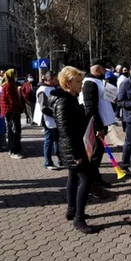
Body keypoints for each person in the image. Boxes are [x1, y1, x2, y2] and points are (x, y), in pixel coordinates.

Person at [48, 66, 97, 234]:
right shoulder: (63, 102)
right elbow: (65, 131)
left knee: (73, 177)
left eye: (81, 81)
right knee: (86, 179)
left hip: (76, 145)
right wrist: (76, 154)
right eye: (78, 82)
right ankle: (79, 219)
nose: (81, 84)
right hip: (73, 147)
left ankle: (71, 210)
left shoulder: (71, 98)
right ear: (67, 83)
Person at [80, 59, 115, 190]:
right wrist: (98, 126)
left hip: (101, 122)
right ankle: (91, 183)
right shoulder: (89, 83)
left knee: (97, 154)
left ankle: (95, 179)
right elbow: (90, 108)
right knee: (95, 154)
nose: (105, 71)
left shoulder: (97, 81)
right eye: (103, 69)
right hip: (95, 125)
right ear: (96, 70)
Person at [35, 71, 62, 170]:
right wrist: (55, 114)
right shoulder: (43, 90)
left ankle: (61, 160)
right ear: (49, 80)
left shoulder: (54, 88)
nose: (56, 82)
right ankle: (48, 162)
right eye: (55, 80)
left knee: (57, 140)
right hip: (48, 118)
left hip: (55, 118)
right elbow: (44, 107)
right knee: (49, 140)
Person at [0, 68, 24, 159]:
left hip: (11, 111)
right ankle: (14, 151)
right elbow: (12, 100)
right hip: (12, 111)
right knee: (15, 131)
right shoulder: (9, 86)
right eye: (15, 74)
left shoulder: (8, 85)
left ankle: (13, 149)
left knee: (12, 131)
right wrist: (20, 107)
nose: (16, 76)